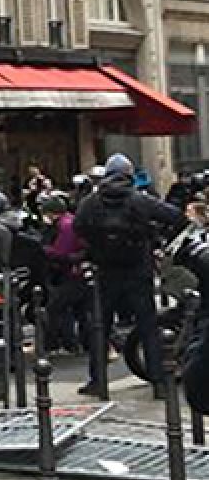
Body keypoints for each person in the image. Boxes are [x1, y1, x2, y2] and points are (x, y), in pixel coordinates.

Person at [74, 153, 186, 397]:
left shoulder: (91, 202)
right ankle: (158, 382)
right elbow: (176, 217)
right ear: (130, 174)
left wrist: (97, 245)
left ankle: (98, 381)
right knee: (148, 327)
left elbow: (78, 227)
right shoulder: (140, 200)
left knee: (100, 327)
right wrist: (154, 236)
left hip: (105, 270)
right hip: (138, 269)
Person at [41, 192, 87, 354]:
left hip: (71, 272)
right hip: (77, 270)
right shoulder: (70, 221)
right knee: (78, 310)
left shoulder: (65, 226)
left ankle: (53, 344)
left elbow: (62, 252)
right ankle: (75, 343)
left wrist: (46, 250)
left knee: (55, 307)